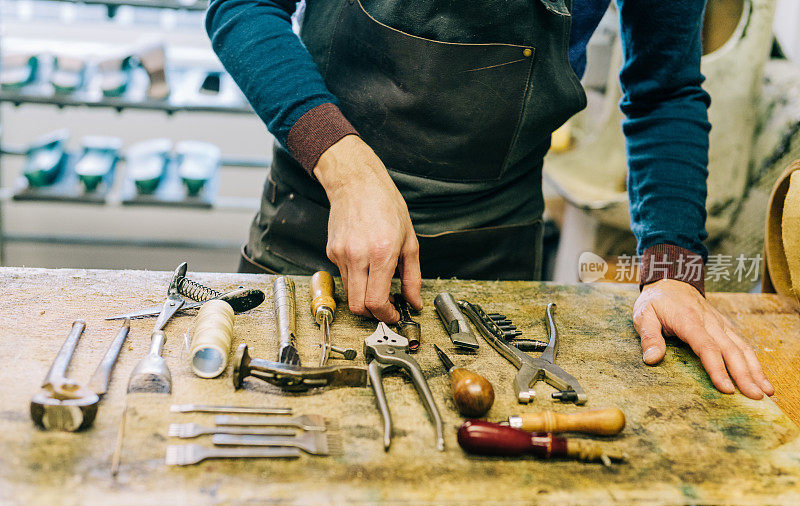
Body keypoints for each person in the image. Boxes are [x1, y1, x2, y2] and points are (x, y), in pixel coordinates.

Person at [206, 0, 774, 399]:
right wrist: (347, 169)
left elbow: (664, 89)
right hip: (316, 226)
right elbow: (243, 6)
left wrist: (673, 269)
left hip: (494, 246)